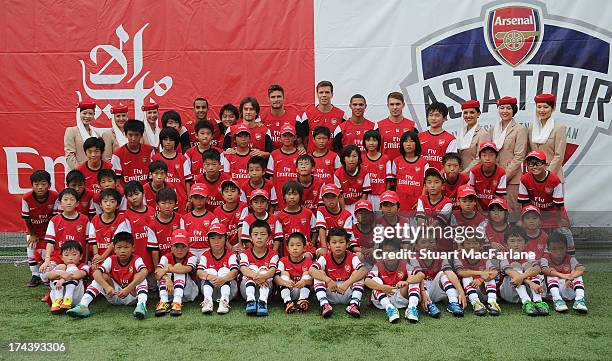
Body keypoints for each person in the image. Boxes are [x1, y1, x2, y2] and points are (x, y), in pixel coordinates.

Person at [66, 232, 149, 319]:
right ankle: (83, 305)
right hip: (114, 294)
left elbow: (145, 271)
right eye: (119, 247)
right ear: (114, 249)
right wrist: (107, 287)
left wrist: (128, 288)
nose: (122, 251)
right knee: (102, 276)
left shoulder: (137, 259)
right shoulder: (111, 259)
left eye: (126, 247)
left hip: (131, 296)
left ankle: (141, 306)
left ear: (133, 248)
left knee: (140, 276)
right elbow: (96, 273)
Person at [309, 228, 368, 318]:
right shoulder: (324, 257)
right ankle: (324, 305)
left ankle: (354, 304)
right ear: (328, 245)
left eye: (341, 242)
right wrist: (328, 280)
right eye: (334, 242)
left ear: (347, 244)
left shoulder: (352, 257)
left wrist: (347, 283)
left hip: (346, 292)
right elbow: (311, 270)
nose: (337, 246)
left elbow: (364, 270)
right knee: (319, 272)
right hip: (331, 292)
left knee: (358, 272)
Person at [407, 235, 466, 320]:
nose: (428, 245)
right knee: (415, 277)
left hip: (436, 289)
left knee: (443, 274)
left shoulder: (440, 256)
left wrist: (461, 292)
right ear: (416, 246)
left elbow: (450, 272)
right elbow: (419, 276)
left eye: (431, 242)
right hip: (421, 291)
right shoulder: (413, 256)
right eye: (423, 242)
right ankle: (428, 304)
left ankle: (453, 302)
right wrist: (423, 293)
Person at [39, 189, 91, 283]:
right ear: (60, 203)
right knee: (44, 275)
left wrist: (85, 262)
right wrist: (47, 261)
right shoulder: (54, 220)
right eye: (65, 200)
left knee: (83, 271)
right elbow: (50, 243)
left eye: (72, 200)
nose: (68, 203)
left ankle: (60, 280)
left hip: (76, 260)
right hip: (58, 259)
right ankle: (62, 278)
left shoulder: (85, 220)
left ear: (77, 203)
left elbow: (87, 244)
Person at [365, 238, 421, 323]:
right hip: (383, 299)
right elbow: (367, 281)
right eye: (386, 252)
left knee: (414, 278)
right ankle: (389, 308)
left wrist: (407, 282)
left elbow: (420, 275)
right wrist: (383, 287)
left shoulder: (404, 264)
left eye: (394, 251)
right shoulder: (378, 265)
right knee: (375, 280)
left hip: (400, 298)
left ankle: (411, 308)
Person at [490, 96, 528, 222]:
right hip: (494, 178)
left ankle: (515, 241)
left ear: (514, 110)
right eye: (502, 108)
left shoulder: (519, 129)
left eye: (508, 108)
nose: (505, 111)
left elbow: (519, 157)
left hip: (512, 180)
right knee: (497, 214)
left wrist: (503, 178)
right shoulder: (493, 129)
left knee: (513, 214)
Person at [499, 226, 548, 316]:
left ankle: (538, 301)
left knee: (528, 266)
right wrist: (531, 283)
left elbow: (538, 269)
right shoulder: (503, 255)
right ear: (506, 244)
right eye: (512, 241)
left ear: (525, 243)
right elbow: (509, 272)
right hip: (509, 294)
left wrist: (524, 277)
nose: (516, 244)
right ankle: (526, 302)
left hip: (528, 290)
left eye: (520, 240)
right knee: (515, 265)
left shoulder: (528, 254)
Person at [22, 170, 59, 287]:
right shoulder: (26, 198)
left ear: (49, 184)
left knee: (49, 252)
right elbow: (26, 217)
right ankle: (35, 275)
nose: (40, 187)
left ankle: (49, 274)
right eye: (36, 184)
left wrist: (49, 234)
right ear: (32, 185)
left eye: (43, 184)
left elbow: (54, 216)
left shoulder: (55, 196)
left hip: (49, 229)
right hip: (33, 230)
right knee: (31, 249)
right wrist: (32, 234)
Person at [518, 150, 569, 229]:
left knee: (564, 230)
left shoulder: (555, 180)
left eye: (538, 163)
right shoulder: (524, 179)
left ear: (545, 164)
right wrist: (525, 220)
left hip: (554, 214)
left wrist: (559, 221)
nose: (535, 167)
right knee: (520, 226)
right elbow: (524, 203)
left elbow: (558, 205)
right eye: (531, 164)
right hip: (535, 214)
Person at [452, 235, 501, 316]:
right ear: (463, 246)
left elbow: (495, 272)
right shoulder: (458, 256)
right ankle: (476, 303)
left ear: (480, 245)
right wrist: (481, 273)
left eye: (475, 243)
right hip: (467, 293)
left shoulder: (484, 257)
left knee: (489, 277)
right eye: (468, 243)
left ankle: (492, 302)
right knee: (466, 276)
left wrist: (481, 279)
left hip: (483, 291)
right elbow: (460, 272)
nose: (472, 246)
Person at [154, 229, 199, 317]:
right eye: (176, 246)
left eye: (183, 246)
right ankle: (164, 302)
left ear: (188, 247)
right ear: (171, 247)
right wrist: (167, 278)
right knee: (165, 274)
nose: (179, 250)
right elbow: (157, 273)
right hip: (170, 292)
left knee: (179, 268)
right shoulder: (165, 257)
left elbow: (186, 269)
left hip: (189, 293)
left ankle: (177, 303)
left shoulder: (192, 257)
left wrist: (169, 268)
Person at [197, 223, 239, 314]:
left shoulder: (230, 254)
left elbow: (235, 271)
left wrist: (223, 279)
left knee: (223, 270)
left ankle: (224, 301)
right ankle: (207, 301)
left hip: (229, 291)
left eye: (220, 238)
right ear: (208, 240)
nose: (216, 242)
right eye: (213, 238)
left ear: (225, 239)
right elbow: (199, 272)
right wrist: (211, 277)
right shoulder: (205, 255)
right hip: (211, 290)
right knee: (210, 271)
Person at [239, 220, 279, 316]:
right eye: (255, 234)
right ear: (250, 237)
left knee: (264, 270)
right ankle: (251, 301)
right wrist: (258, 277)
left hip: (266, 290)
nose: (259, 237)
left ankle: (262, 302)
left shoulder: (273, 254)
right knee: (251, 268)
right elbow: (243, 269)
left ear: (269, 238)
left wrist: (263, 276)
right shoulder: (245, 253)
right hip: (246, 291)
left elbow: (272, 272)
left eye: (263, 234)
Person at [542, 231, 587, 313]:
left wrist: (571, 277)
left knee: (578, 275)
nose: (558, 252)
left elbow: (582, 268)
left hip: (567, 287)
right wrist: (563, 276)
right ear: (548, 250)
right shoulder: (545, 259)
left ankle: (579, 300)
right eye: (554, 249)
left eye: (561, 248)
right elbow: (545, 270)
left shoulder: (570, 258)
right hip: (550, 293)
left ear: (566, 248)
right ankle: (557, 300)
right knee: (551, 274)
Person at [386, 130, 429, 215]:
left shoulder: (424, 162)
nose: (409, 144)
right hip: (400, 206)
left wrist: (420, 203)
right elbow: (393, 184)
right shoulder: (396, 161)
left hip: (416, 205)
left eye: (412, 141)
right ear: (402, 144)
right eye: (406, 141)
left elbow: (426, 185)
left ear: (417, 143)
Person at [152, 127, 193, 213]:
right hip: (162, 201)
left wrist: (189, 200)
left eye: (171, 140)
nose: (168, 142)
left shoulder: (182, 159)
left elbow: (187, 181)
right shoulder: (155, 158)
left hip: (181, 199)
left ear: (176, 142)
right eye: (165, 139)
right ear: (161, 141)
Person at [123, 181, 157, 283]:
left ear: (143, 194)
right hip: (137, 260)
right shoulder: (126, 215)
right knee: (139, 286)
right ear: (126, 198)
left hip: (153, 259)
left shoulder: (152, 211)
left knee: (154, 287)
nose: (134, 197)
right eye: (130, 195)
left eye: (137, 194)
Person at [528, 93, 567, 183]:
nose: (542, 110)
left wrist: (547, 175)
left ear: (553, 109)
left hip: (553, 176)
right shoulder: (531, 129)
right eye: (539, 107)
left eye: (545, 107)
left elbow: (559, 156)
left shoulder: (559, 128)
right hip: (534, 177)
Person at [88, 188, 130, 269]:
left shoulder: (121, 220)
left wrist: (103, 257)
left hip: (114, 258)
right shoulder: (95, 219)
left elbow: (115, 241)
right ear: (100, 204)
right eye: (105, 201)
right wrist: (96, 255)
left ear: (117, 205)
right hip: (98, 257)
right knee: (96, 272)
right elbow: (93, 241)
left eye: (112, 201)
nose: (108, 204)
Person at [276, 181, 318, 258]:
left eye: (295, 194)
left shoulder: (308, 213)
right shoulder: (279, 216)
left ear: (300, 196)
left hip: (306, 251)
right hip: (288, 254)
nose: (292, 197)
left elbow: (314, 231)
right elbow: (279, 240)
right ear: (284, 196)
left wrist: (312, 242)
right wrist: (281, 257)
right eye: (289, 194)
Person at [274, 232, 314, 313]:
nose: (295, 248)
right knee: (284, 273)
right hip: (288, 289)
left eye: (298, 245)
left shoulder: (309, 262)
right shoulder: (283, 261)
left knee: (307, 273)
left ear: (304, 248)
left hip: (303, 290)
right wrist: (285, 282)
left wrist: (304, 282)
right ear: (287, 248)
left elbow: (314, 280)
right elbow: (276, 278)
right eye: (292, 245)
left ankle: (302, 300)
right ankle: (287, 302)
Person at [260, 84, 306, 150]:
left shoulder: (295, 117)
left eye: (279, 96)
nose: (276, 100)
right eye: (273, 97)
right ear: (268, 100)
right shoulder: (261, 118)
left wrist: (301, 148)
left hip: (289, 156)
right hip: (267, 157)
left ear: (284, 99)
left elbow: (300, 143)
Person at [48, 241, 90, 314]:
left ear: (81, 256)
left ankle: (68, 299)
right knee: (61, 267)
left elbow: (79, 274)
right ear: (62, 257)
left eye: (74, 254)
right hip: (57, 298)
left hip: (75, 297)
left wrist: (62, 279)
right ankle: (58, 300)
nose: (70, 258)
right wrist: (60, 273)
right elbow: (49, 275)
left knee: (71, 267)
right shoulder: (61, 266)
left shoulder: (84, 266)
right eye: (66, 255)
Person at [303, 80, 346, 152]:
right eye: (321, 92)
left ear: (332, 94)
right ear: (317, 94)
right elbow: (304, 137)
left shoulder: (342, 115)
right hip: (312, 158)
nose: (324, 95)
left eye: (327, 92)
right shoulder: (308, 114)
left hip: (333, 158)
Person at [111, 119, 155, 185]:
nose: (133, 138)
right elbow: (116, 179)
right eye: (130, 135)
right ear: (125, 135)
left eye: (136, 135)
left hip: (145, 192)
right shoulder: (118, 153)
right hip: (126, 193)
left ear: (141, 135)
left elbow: (153, 174)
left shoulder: (149, 150)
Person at [146, 187, 185, 261]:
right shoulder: (152, 225)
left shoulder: (180, 219)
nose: (167, 206)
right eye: (163, 203)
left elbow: (184, 244)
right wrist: (157, 269)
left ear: (175, 203)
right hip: (162, 263)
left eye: (170, 203)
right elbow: (154, 250)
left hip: (179, 261)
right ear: (157, 205)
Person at [267, 124, 300, 209]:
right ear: (280, 137)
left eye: (290, 135)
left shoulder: (300, 155)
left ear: (295, 137)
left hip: (295, 198)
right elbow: (270, 177)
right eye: (284, 135)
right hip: (278, 198)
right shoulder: (274, 154)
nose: (287, 138)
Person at [374, 92, 416, 160]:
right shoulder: (379, 126)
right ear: (388, 106)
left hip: (405, 168)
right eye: (392, 104)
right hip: (385, 168)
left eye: (398, 104)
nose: (395, 107)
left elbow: (417, 150)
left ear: (403, 105)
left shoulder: (412, 126)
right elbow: (374, 151)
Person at [418, 101, 457, 171]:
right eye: (431, 115)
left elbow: (450, 164)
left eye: (437, 115)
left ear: (445, 118)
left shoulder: (450, 139)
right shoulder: (419, 137)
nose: (433, 118)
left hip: (440, 179)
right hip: (421, 178)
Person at [468, 142, 507, 210]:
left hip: (494, 208)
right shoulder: (474, 171)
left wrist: (491, 213)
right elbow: (471, 194)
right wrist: (479, 210)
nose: (487, 158)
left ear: (496, 157)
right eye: (484, 155)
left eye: (491, 155)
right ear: (480, 157)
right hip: (477, 207)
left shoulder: (501, 172)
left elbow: (499, 196)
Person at [334, 144, 371, 215]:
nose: (351, 159)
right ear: (343, 159)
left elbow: (365, 193)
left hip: (360, 203)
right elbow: (340, 195)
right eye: (348, 156)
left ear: (359, 158)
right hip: (345, 204)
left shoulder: (364, 171)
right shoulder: (337, 174)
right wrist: (344, 212)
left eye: (354, 156)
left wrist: (360, 208)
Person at [181, 184, 216, 259]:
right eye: (195, 198)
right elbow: (183, 240)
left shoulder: (212, 218)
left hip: (207, 250)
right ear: (191, 199)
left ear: (207, 199)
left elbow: (214, 238)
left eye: (202, 198)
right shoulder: (184, 218)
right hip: (190, 250)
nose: (198, 201)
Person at [213, 179, 248, 250]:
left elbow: (241, 227)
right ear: (222, 194)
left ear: (239, 194)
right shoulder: (217, 211)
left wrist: (240, 245)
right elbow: (220, 233)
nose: (229, 194)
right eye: (226, 191)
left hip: (240, 244)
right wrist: (231, 248)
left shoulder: (243, 206)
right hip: (224, 246)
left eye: (233, 191)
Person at [316, 184, 353, 250]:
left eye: (333, 196)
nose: (330, 200)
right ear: (323, 200)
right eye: (327, 197)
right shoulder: (321, 210)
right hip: (324, 245)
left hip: (341, 247)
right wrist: (324, 247)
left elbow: (347, 236)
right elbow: (321, 228)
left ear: (339, 197)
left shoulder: (347, 215)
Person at [64, 101, 100, 170]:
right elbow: (69, 155)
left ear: (94, 115)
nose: (87, 116)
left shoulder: (96, 134)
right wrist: (81, 171)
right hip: (76, 174)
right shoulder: (71, 131)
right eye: (84, 113)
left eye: (90, 114)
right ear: (78, 114)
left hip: (93, 172)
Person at [457, 100, 490, 172]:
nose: (468, 115)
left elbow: (480, 158)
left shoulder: (482, 134)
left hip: (474, 174)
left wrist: (465, 173)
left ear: (478, 114)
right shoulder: (461, 132)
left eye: (472, 112)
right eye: (465, 113)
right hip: (459, 174)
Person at [362, 130, 389, 211]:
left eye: (374, 140)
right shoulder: (361, 159)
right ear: (364, 142)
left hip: (380, 196)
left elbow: (388, 181)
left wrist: (385, 198)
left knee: (380, 221)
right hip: (366, 196)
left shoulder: (385, 159)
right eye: (368, 140)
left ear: (379, 142)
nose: (371, 143)